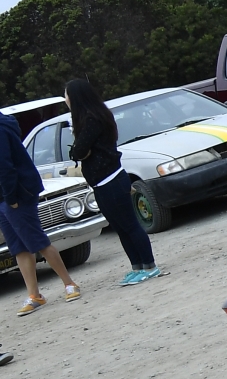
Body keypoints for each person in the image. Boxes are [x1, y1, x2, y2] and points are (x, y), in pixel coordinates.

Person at [63, 78, 160, 285]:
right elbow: (80, 152)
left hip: (112, 180)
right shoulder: (86, 119)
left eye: (67, 95)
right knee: (120, 228)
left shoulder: (92, 119)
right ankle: (137, 266)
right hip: (100, 184)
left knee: (130, 225)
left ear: (76, 97)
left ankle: (150, 266)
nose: (65, 99)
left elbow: (79, 151)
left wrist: (80, 149)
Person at [0, 110, 80, 315]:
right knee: (18, 247)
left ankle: (69, 284)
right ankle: (35, 295)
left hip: (16, 194)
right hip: (4, 197)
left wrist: (11, 198)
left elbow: (5, 167)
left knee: (37, 241)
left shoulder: (1, 128)